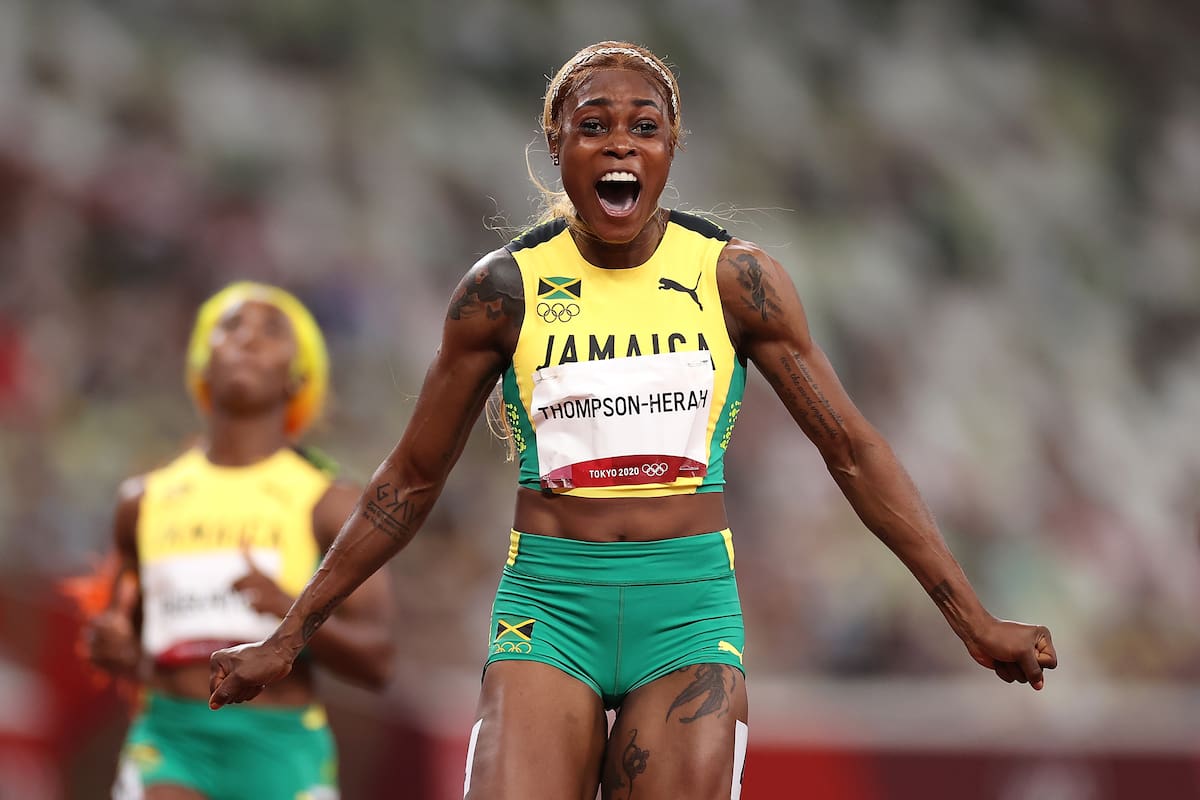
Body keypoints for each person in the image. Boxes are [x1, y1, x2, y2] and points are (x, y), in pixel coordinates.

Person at [208, 42, 1057, 799]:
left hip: (687, 613)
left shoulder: (735, 281)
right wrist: (292, 634)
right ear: (558, 147)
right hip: (549, 607)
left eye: (643, 126)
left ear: (670, 148)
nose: (620, 142)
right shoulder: (502, 292)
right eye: (594, 125)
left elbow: (854, 454)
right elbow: (409, 481)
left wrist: (971, 619)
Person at [86, 281, 394, 800]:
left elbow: (378, 661)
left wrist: (287, 610)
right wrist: (114, 650)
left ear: (300, 376)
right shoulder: (143, 500)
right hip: (171, 741)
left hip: (283, 750)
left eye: (271, 331)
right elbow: (135, 641)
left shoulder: (330, 503)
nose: (248, 339)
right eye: (231, 327)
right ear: (203, 360)